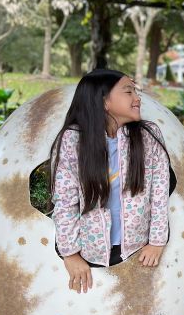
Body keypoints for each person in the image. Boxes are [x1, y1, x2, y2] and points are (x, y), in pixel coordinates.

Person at [50, 69, 170, 294]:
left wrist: (156, 242)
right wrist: (70, 254)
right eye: (128, 91)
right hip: (90, 252)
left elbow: (160, 193)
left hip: (137, 250)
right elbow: (65, 201)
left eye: (135, 91)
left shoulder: (149, 136)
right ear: (104, 102)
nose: (137, 97)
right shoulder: (73, 140)